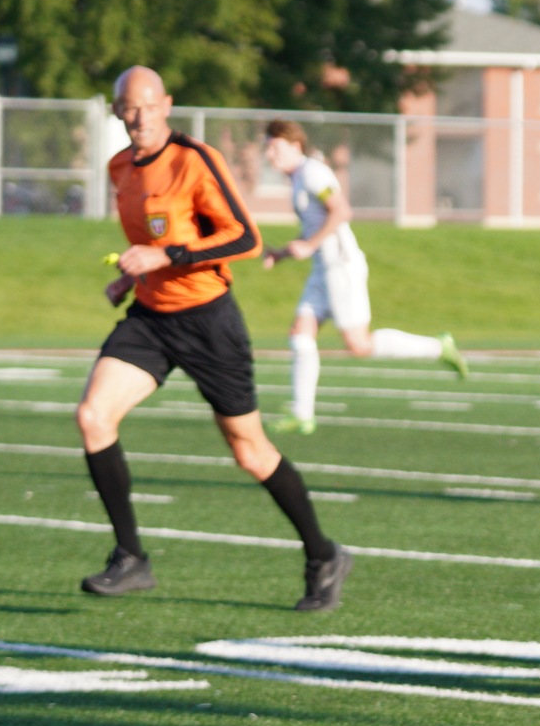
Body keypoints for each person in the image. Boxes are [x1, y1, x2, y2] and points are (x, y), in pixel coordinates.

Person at [79, 67, 350, 611]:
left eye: (148, 106)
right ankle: (130, 557)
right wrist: (132, 276)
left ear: (167, 106)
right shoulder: (119, 168)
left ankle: (322, 554)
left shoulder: (194, 159)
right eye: (128, 107)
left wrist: (167, 256)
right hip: (152, 318)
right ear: (115, 111)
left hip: (209, 323)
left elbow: (245, 238)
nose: (139, 117)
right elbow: (151, 238)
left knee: (249, 451)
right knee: (93, 417)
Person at [260, 119, 465, 434]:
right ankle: (303, 414)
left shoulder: (313, 173)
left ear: (294, 145)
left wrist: (310, 245)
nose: (269, 154)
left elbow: (341, 211)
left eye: (274, 146)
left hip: (342, 266)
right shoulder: (299, 178)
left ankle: (439, 347)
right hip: (322, 269)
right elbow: (313, 230)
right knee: (301, 334)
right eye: (267, 147)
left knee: (359, 345)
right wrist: (283, 253)